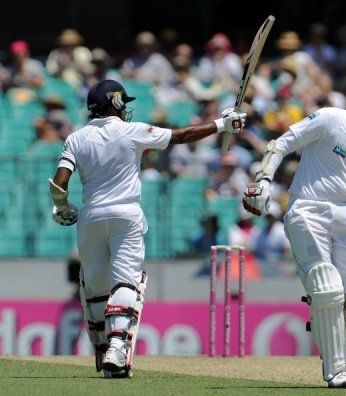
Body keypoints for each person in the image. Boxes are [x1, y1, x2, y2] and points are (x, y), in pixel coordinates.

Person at [48, 79, 246, 378]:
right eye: (122, 103)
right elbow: (182, 135)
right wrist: (222, 124)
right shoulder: (132, 131)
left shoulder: (75, 138)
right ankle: (117, 346)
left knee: (97, 289)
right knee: (126, 283)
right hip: (126, 214)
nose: (126, 108)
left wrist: (63, 208)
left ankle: (103, 348)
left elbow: (58, 184)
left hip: (90, 218)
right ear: (114, 103)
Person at [242, 102, 346, 388]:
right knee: (327, 288)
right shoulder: (332, 119)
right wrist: (265, 181)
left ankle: (331, 341)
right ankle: (337, 371)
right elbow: (281, 143)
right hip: (308, 209)